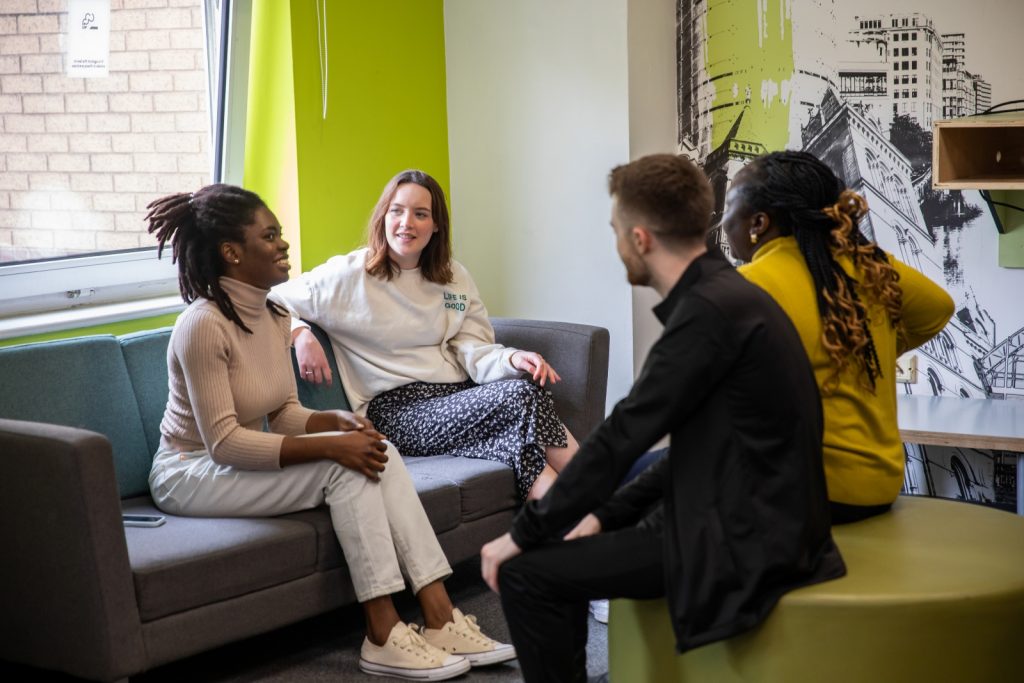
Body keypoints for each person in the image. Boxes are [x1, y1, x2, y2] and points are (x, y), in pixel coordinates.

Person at [479, 154, 846, 683]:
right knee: (574, 544)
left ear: (640, 238)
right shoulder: (729, 295)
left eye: (615, 231)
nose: (616, 244)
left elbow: (621, 436)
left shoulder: (706, 316)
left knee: (524, 573)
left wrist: (525, 532)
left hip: (747, 540)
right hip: (766, 518)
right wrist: (603, 515)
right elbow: (698, 448)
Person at [145, 183, 515, 681]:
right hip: (190, 471)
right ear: (232, 253)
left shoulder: (276, 317)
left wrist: (333, 422)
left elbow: (284, 413)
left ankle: (440, 617)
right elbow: (226, 442)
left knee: (375, 449)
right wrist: (332, 446)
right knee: (346, 469)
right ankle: (382, 632)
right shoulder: (202, 325)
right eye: (270, 235)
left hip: (233, 458)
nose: (283, 244)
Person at [271, 169, 578, 501]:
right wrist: (301, 333)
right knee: (520, 395)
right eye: (397, 211)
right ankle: (604, 493)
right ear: (383, 217)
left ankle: (575, 529)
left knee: (522, 445)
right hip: (396, 412)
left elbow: (472, 346)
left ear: (436, 226)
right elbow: (270, 299)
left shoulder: (454, 277)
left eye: (420, 214)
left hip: (457, 397)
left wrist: (511, 358)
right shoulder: (349, 275)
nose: (407, 222)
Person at [720, 150, 955, 523]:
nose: (722, 221)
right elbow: (938, 307)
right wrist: (858, 344)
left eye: (727, 208)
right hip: (878, 488)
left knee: (643, 478)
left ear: (758, 223)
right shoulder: (865, 266)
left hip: (797, 493)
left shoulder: (745, 286)